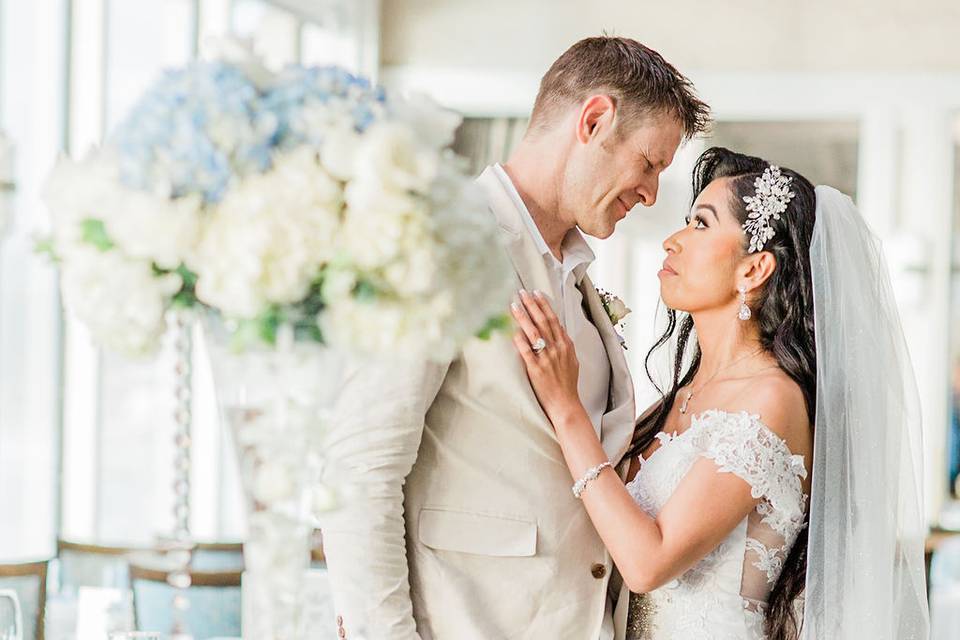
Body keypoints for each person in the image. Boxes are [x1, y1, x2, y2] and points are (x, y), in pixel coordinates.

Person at [317, 36, 709, 639]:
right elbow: (361, 466)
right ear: (595, 120)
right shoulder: (438, 240)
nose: (652, 193)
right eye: (650, 164)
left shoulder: (579, 277)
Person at [513, 147, 929, 639]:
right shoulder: (681, 396)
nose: (672, 240)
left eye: (701, 225)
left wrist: (566, 409)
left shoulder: (772, 399)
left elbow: (649, 562)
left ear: (753, 270)